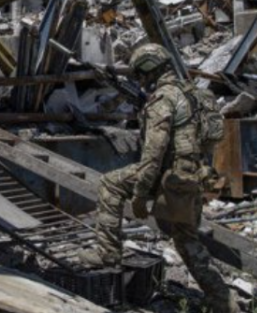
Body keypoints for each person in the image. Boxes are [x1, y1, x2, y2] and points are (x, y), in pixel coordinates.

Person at [79, 44, 238, 313]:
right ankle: (222, 299)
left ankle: (107, 252)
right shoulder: (195, 94)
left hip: (166, 175)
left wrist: (141, 194)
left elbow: (153, 155)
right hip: (192, 175)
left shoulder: (162, 99)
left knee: (110, 183)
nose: (140, 79)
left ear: (148, 70)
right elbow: (209, 137)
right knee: (186, 239)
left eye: (140, 74)